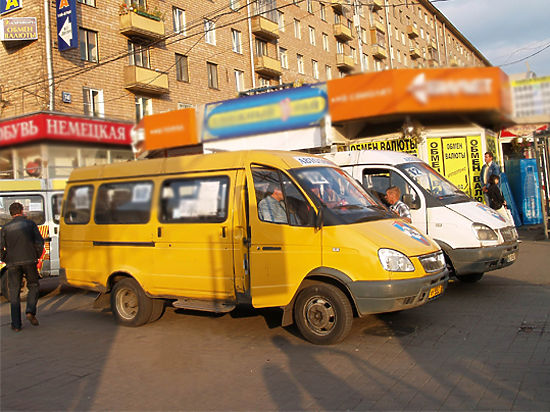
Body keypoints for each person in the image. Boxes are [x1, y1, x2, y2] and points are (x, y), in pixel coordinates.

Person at [0, 202, 44, 332]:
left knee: (14, 292)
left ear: (10, 213)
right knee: (34, 285)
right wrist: (35, 255)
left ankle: (16, 325)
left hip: (12, 264)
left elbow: (0, 248)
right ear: (22, 211)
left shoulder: (5, 228)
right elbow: (39, 242)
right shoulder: (30, 224)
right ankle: (30, 311)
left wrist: (5, 258)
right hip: (30, 261)